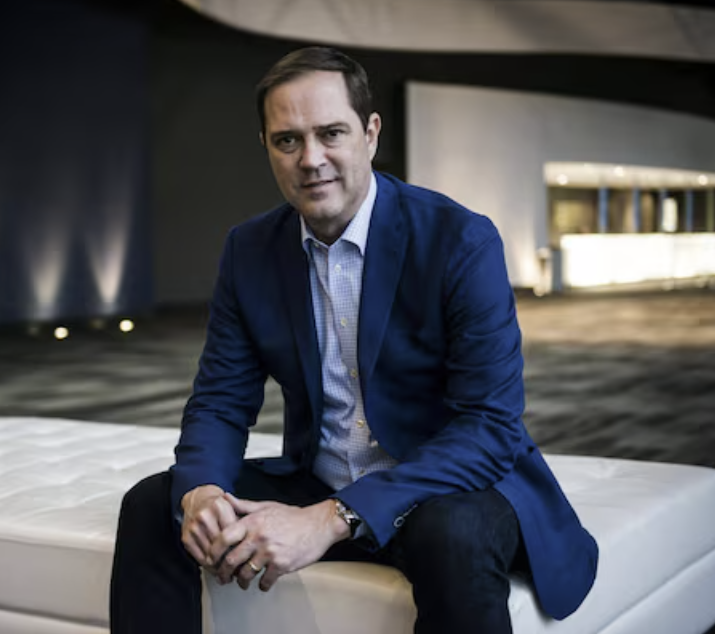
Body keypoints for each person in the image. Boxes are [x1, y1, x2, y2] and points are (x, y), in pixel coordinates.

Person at [110, 46, 598, 634]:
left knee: (451, 534)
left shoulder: (460, 240)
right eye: (287, 140)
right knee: (154, 505)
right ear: (265, 146)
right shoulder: (250, 250)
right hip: (320, 477)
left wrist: (331, 519)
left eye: (331, 133)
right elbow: (220, 400)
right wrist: (204, 493)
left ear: (370, 133)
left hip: (445, 486)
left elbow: (490, 427)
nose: (310, 159)